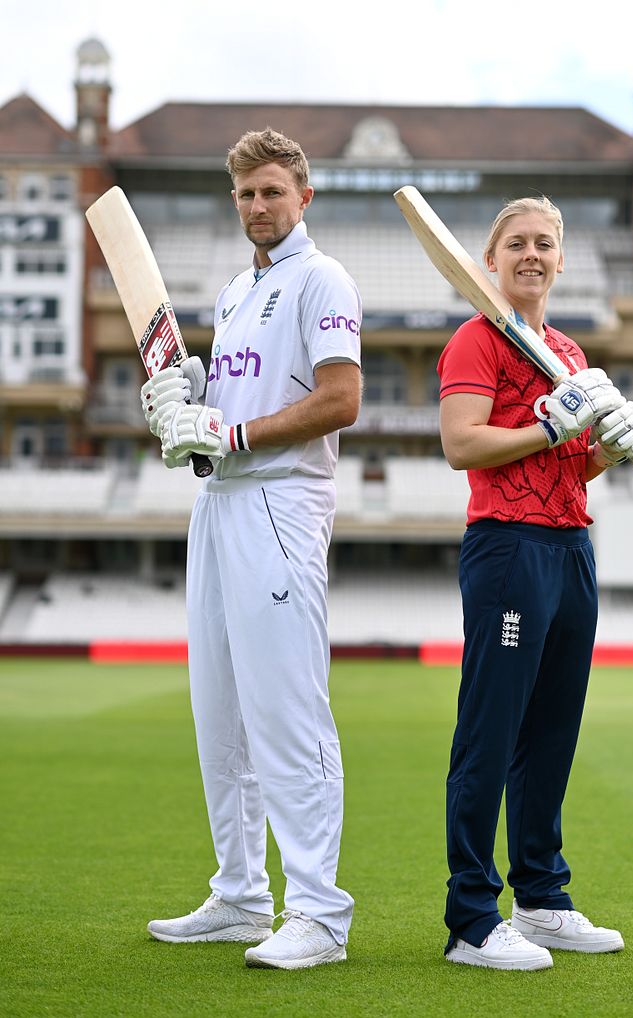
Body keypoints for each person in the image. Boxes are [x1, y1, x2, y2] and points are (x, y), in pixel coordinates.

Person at [138, 127, 362, 971]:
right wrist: (191, 398)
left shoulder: (321, 278)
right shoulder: (236, 292)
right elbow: (224, 414)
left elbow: (340, 399)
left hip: (278, 503)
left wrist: (229, 427)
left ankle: (319, 912)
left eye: (272, 191)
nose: (258, 206)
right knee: (220, 716)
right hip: (218, 501)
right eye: (244, 194)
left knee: (288, 714)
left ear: (303, 196)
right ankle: (240, 896)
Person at [436, 195, 633, 971]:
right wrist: (552, 425)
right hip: (508, 548)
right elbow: (462, 444)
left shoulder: (564, 350)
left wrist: (610, 446)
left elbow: (570, 460)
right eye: (517, 243)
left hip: (571, 545)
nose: (532, 254)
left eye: (545, 244)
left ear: (562, 261)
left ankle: (540, 899)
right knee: (491, 732)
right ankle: (471, 917)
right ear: (491, 261)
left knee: (553, 730)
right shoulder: (476, 338)